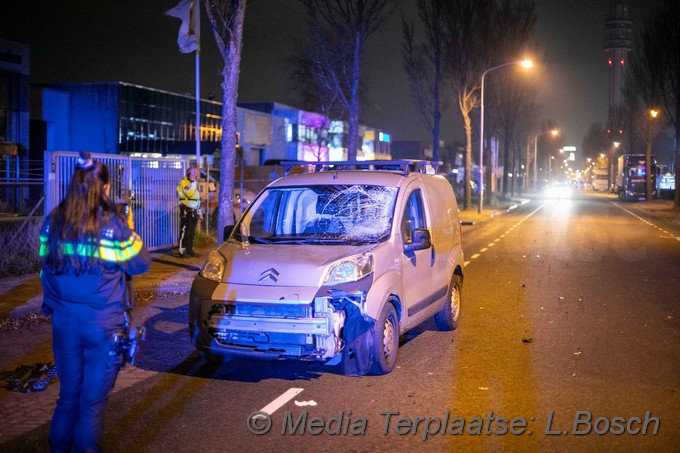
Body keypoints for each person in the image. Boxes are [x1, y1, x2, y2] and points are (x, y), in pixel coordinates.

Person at [39, 151, 150, 453]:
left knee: (67, 398)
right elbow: (139, 264)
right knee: (90, 406)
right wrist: (131, 229)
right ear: (103, 188)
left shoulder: (53, 223)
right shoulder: (112, 227)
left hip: (65, 324)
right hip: (103, 327)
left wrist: (53, 306)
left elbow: (45, 270)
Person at [176, 166, 203, 257]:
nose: (196, 174)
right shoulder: (184, 182)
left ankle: (190, 250)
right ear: (189, 174)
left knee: (191, 231)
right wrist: (192, 183)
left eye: (196, 172)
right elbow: (189, 194)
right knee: (184, 231)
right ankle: (182, 251)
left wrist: (199, 212)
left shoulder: (194, 183)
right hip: (186, 209)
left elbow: (197, 199)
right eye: (194, 172)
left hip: (194, 210)